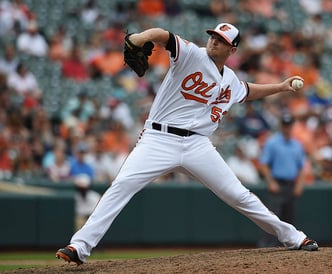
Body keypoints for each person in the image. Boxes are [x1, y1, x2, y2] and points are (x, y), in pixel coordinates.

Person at [56, 22, 318, 266]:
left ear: (232, 49)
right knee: (122, 185)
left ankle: (294, 237)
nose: (214, 41)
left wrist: (281, 87)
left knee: (238, 195)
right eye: (213, 36)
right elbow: (163, 35)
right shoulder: (192, 54)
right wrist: (141, 38)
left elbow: (248, 91)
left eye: (221, 40)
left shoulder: (229, 80)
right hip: (158, 139)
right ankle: (79, 246)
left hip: (197, 145)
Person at [257, 112, 307, 247]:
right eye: (285, 125)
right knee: (273, 219)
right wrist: (271, 182)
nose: (287, 128)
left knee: (289, 219)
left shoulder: (297, 145)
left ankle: (288, 249)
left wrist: (300, 185)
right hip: (277, 185)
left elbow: (302, 167)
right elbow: (264, 164)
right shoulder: (273, 143)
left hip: (291, 185)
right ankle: (265, 248)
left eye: (289, 125)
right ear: (281, 126)